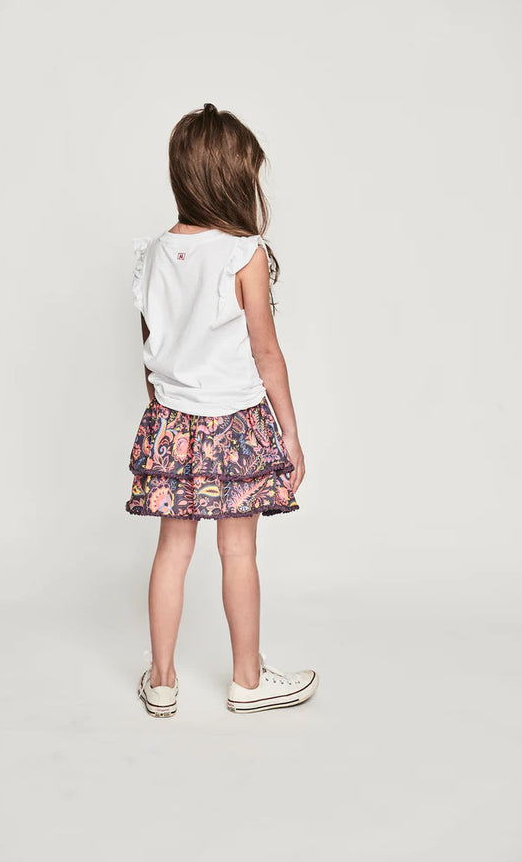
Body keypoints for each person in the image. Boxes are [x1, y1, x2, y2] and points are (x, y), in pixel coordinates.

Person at [127, 102, 319, 717]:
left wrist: (168, 410)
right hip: (235, 424)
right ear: (232, 177)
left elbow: (150, 346)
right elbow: (266, 350)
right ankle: (247, 681)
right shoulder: (245, 252)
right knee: (238, 552)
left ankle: (162, 681)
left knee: (171, 551)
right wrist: (290, 435)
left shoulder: (153, 253)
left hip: (173, 422)